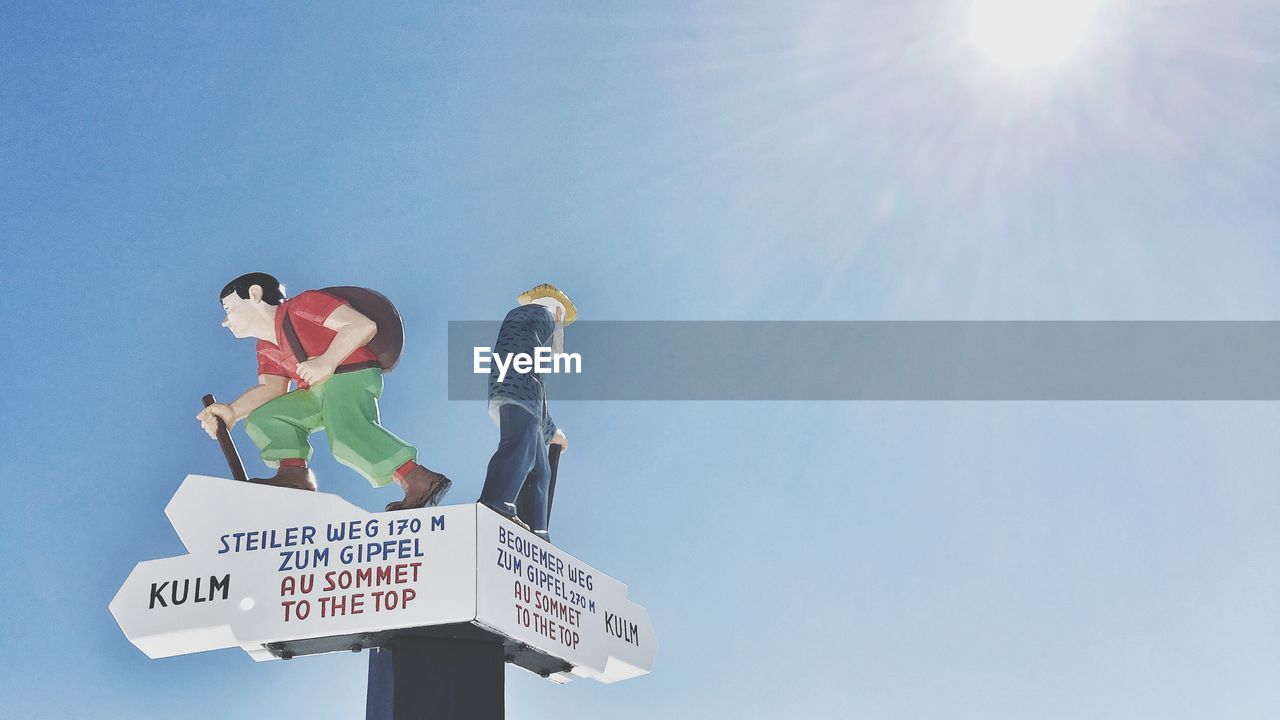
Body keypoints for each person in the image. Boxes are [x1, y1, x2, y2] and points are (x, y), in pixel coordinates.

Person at [196, 272, 450, 511]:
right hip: (314, 391)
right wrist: (232, 412)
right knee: (266, 417)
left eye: (229, 309)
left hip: (349, 374)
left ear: (254, 294)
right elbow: (271, 389)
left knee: (346, 432)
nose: (225, 321)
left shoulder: (303, 305)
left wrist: (327, 361)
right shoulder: (266, 347)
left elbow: (361, 325)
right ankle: (294, 476)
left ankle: (418, 479)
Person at [477, 283, 573, 540]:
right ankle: (497, 502)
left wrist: (551, 430)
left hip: (521, 391)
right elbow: (535, 365)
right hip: (519, 391)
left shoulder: (528, 322)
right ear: (558, 312)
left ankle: (536, 531)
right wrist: (551, 429)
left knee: (540, 470)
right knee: (520, 449)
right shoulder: (539, 316)